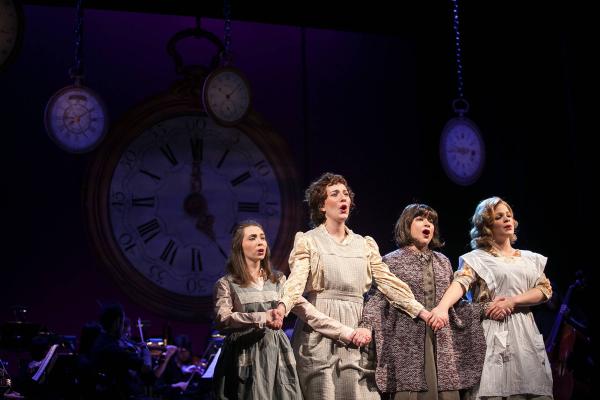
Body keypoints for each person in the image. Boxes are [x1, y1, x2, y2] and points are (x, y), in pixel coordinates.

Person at [276, 173, 431, 399]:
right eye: (335, 194)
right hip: (319, 332)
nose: (343, 199)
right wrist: (282, 307)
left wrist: (422, 312)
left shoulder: (364, 244)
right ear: (321, 205)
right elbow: (296, 282)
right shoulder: (308, 240)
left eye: (346, 194)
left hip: (357, 331)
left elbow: (389, 283)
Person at [213, 220, 360, 400]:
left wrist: (347, 333)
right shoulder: (227, 283)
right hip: (245, 354)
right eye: (252, 238)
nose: (260, 242)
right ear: (239, 246)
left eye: (262, 238)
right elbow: (223, 319)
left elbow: (309, 312)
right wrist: (261, 317)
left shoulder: (278, 280)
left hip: (275, 353)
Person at [430, 196, 553, 399]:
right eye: (499, 217)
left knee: (532, 390)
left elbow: (544, 289)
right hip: (490, 331)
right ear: (487, 225)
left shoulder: (530, 259)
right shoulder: (476, 259)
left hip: (525, 332)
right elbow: (460, 283)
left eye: (509, 216)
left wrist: (513, 301)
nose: (507, 220)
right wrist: (442, 308)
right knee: (492, 390)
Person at [359, 203, 485, 400]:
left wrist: (485, 308)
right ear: (406, 224)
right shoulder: (391, 261)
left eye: (431, 221)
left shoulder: (443, 261)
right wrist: (366, 326)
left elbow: (455, 306)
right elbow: (376, 299)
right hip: (406, 344)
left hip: (442, 343)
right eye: (420, 219)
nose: (427, 224)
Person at [89, 304, 154, 399]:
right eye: (122, 323)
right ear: (117, 322)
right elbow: (146, 367)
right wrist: (145, 350)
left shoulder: (100, 341)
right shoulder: (113, 348)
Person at [154, 335, 202, 399]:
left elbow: (198, 389)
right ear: (176, 351)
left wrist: (200, 375)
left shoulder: (192, 366)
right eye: (182, 351)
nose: (185, 354)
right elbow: (158, 388)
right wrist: (174, 386)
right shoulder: (167, 366)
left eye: (187, 351)